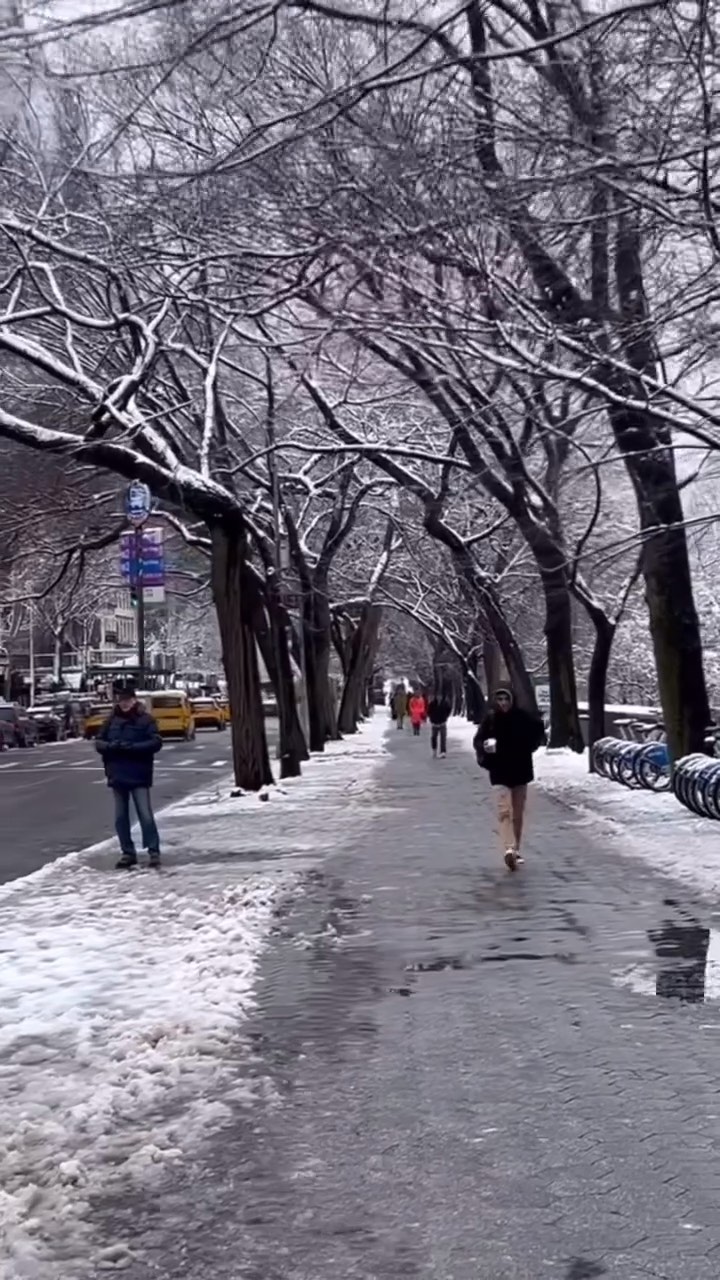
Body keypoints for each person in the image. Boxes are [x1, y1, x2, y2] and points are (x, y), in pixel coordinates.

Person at [474, 686, 546, 872]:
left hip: (520, 771)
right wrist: (485, 748)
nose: (503, 703)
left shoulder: (522, 718)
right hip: (499, 771)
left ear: (512, 700)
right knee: (504, 811)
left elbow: (538, 734)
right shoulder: (490, 720)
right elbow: (479, 741)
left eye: (506, 699)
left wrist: (527, 747)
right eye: (499, 700)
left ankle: (516, 848)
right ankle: (509, 848)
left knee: (517, 813)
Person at [96, 678, 163, 869]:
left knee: (145, 814)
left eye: (127, 700)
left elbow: (156, 742)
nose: (124, 704)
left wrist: (133, 748)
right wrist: (111, 746)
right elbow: (99, 742)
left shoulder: (146, 720)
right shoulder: (111, 720)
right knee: (120, 817)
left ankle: (153, 851)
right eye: (121, 700)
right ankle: (127, 852)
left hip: (139, 773)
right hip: (117, 773)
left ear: (134, 700)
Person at [427, 690, 452, 758]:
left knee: (443, 738)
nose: (439, 697)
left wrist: (445, 717)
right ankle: (434, 750)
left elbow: (448, 710)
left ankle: (443, 752)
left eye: (440, 696)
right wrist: (432, 720)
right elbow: (429, 712)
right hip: (435, 724)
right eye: (438, 696)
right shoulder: (432, 704)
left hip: (442, 723)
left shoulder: (445, 704)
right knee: (434, 737)